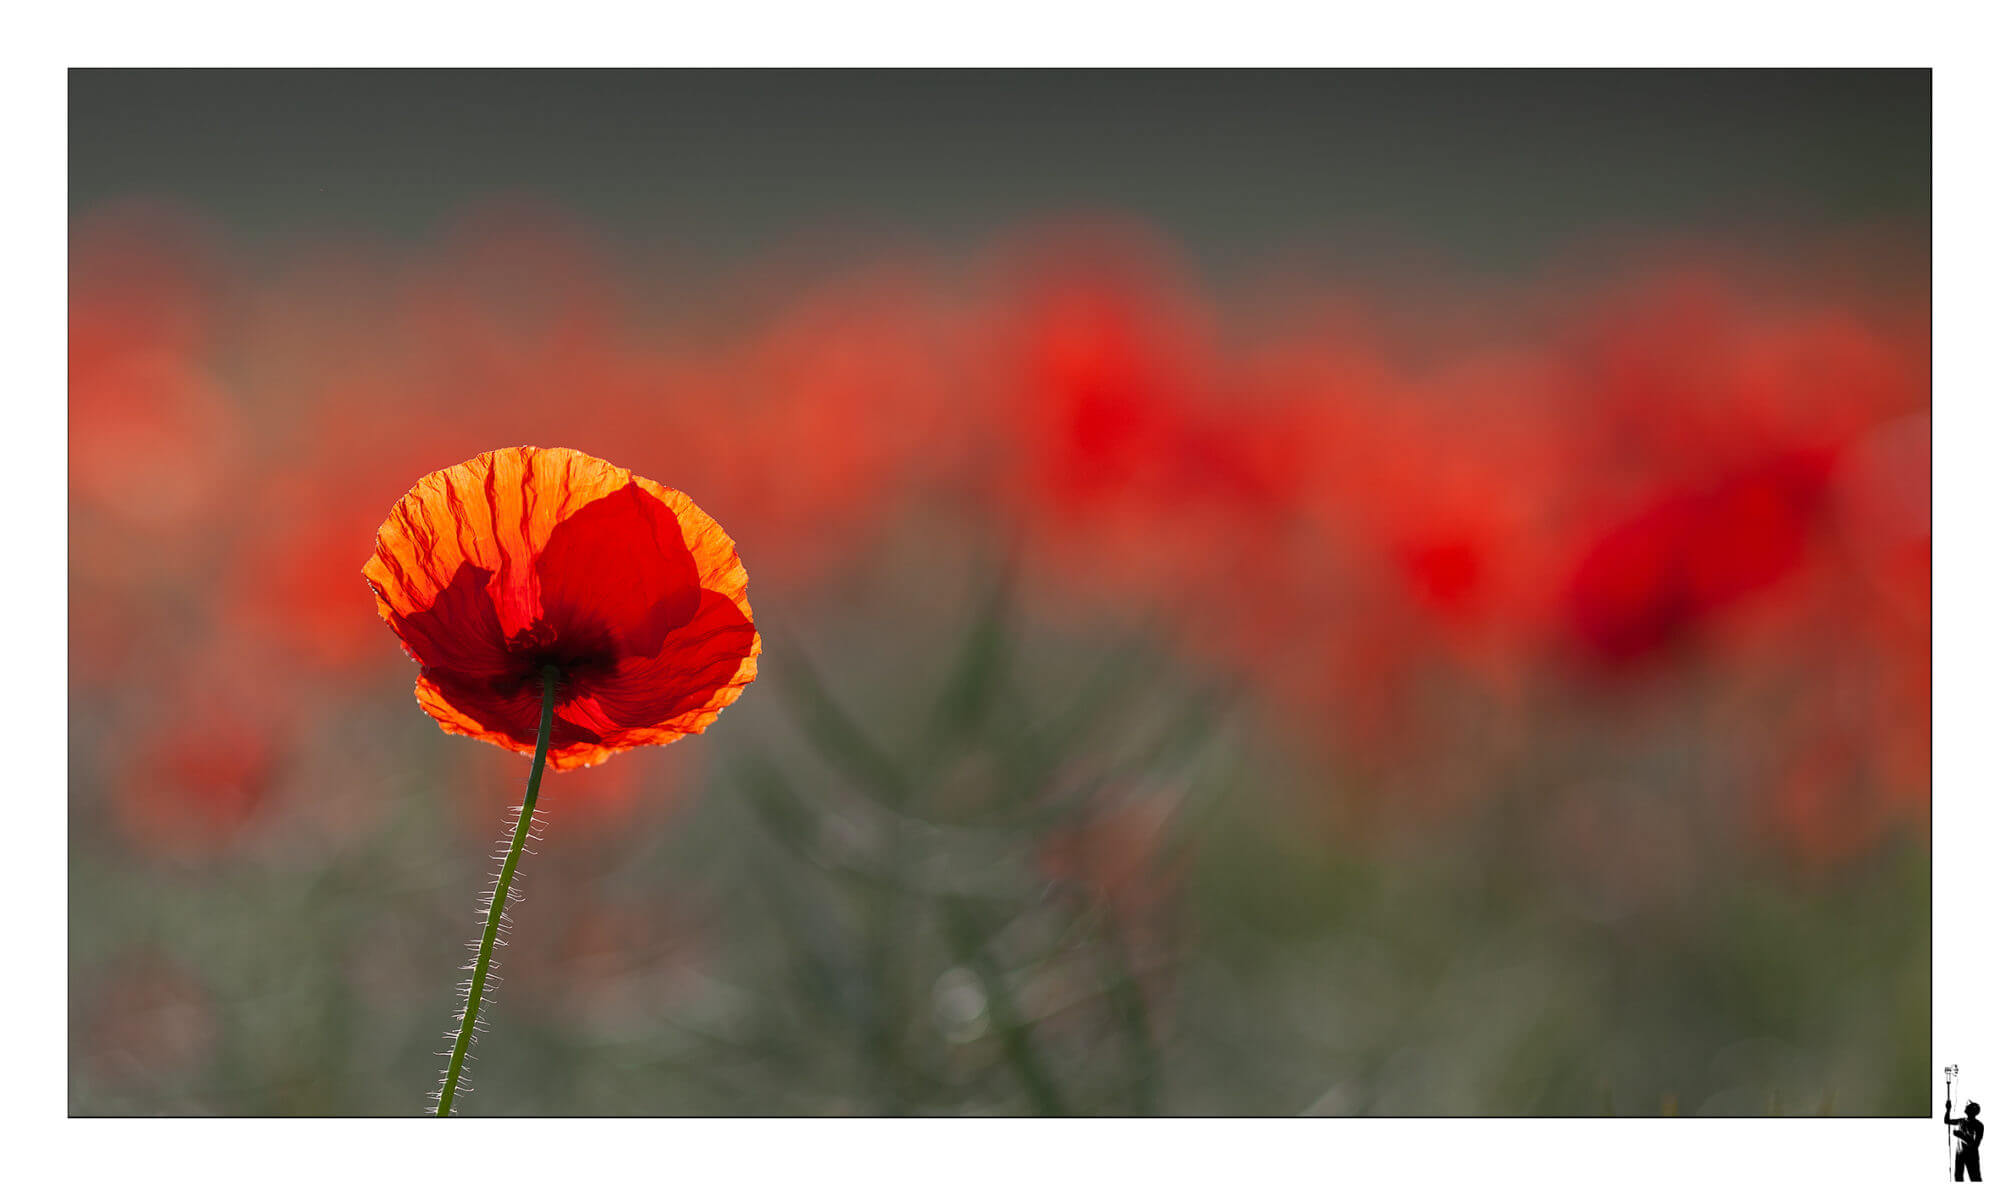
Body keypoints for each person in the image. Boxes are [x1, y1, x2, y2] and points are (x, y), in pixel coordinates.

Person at [1947, 1100, 1984, 1181]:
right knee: (1958, 1177)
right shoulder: (1961, 1121)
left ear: (1972, 1111)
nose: (1966, 1106)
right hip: (1960, 1154)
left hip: (1971, 1156)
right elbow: (1946, 1121)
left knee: (1975, 1178)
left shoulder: (1978, 1125)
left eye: (1968, 1106)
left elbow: (1975, 1145)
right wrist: (1948, 1109)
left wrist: (1961, 1136)